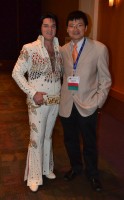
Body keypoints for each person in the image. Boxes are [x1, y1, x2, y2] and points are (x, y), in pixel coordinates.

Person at [59, 10, 112, 192]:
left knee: (89, 142)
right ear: (67, 28)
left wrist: (98, 102)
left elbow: (105, 80)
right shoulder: (63, 50)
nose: (75, 29)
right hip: (67, 104)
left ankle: (92, 174)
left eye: (79, 25)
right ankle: (76, 167)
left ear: (86, 28)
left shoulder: (99, 48)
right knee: (70, 140)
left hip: (88, 104)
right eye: (72, 25)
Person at [12, 13, 62, 192]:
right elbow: (16, 73)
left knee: (48, 136)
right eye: (46, 25)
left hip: (55, 100)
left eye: (53, 25)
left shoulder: (59, 48)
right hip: (37, 102)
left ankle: (46, 168)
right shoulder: (30, 48)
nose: (50, 29)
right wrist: (32, 93)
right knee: (36, 138)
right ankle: (33, 176)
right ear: (40, 28)